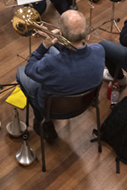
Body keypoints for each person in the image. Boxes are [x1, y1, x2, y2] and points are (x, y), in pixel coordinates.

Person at [16, 10, 105, 140]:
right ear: (85, 31)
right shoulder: (99, 50)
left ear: (61, 33)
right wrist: (46, 36)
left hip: (50, 108)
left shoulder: (51, 64)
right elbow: (74, 51)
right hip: (84, 104)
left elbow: (29, 69)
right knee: (53, 51)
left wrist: (44, 45)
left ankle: (44, 121)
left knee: (20, 71)